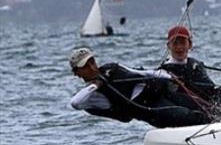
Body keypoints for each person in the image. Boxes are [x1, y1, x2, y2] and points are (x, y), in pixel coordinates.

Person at [69, 47, 211, 128]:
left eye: (92, 61)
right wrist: (95, 84)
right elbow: (75, 103)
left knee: (201, 105)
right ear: (77, 73)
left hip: (159, 91)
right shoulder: (91, 96)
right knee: (188, 116)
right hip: (151, 109)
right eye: (85, 66)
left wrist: (168, 76)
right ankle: (216, 129)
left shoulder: (110, 68)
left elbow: (140, 73)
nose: (92, 67)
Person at [158, 25, 221, 108]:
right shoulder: (162, 72)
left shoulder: (196, 67)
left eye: (182, 42)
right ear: (168, 46)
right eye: (175, 43)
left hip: (201, 112)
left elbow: (214, 97)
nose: (179, 47)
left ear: (190, 45)